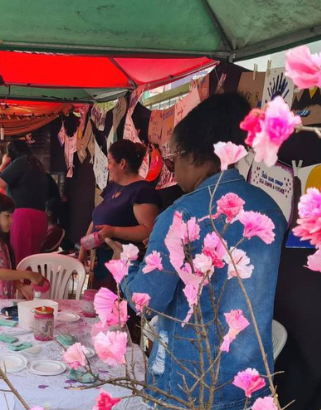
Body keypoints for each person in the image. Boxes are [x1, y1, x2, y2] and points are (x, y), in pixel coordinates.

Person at [119, 93, 288, 409]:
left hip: (191, 378)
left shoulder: (180, 215)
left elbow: (147, 299)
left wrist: (127, 271)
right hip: (250, 378)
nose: (173, 168)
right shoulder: (270, 209)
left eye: (173, 159)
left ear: (195, 156)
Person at [78, 139, 160, 290]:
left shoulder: (142, 191)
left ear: (122, 164)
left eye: (109, 162)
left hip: (124, 265)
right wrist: (84, 248)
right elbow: (96, 219)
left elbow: (149, 230)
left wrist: (113, 231)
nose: (107, 167)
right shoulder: (112, 187)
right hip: (101, 263)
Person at [0, 192, 44, 343]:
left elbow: (6, 270)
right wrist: (28, 275)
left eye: (12, 216)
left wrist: (20, 286)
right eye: (7, 216)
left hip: (2, 302)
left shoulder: (3, 243)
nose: (12, 220)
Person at [0, 140, 48, 264]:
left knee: (19, 258)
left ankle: (21, 283)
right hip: (40, 216)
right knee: (32, 259)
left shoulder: (20, 162)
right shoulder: (37, 164)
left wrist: (4, 163)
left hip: (23, 216)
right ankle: (30, 283)